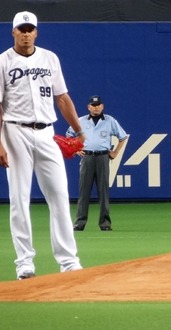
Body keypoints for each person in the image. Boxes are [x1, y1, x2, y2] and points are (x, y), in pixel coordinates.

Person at [0, 11, 84, 279]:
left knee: (60, 196)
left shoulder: (50, 58)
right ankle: (24, 262)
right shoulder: (2, 61)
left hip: (47, 132)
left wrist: (79, 130)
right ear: (13, 32)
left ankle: (68, 261)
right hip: (14, 132)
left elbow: (62, 97)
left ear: (36, 32)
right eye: (21, 29)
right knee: (19, 199)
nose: (26, 33)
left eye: (30, 29)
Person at [66, 95, 128, 231]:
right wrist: (76, 150)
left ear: (102, 106)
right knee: (84, 192)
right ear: (89, 107)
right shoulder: (80, 121)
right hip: (87, 157)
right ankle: (80, 223)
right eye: (93, 106)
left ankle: (105, 224)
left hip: (103, 157)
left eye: (98, 105)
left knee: (103, 191)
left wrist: (115, 152)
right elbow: (69, 135)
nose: (96, 108)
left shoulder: (110, 121)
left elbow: (123, 137)